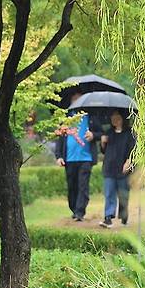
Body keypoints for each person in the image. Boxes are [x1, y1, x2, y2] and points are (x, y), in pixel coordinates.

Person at [55, 93, 102, 221]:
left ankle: (80, 212)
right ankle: (74, 209)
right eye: (74, 99)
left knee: (83, 186)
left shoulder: (90, 117)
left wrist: (93, 135)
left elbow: (100, 132)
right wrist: (58, 156)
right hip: (69, 159)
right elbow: (60, 139)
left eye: (79, 99)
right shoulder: (66, 119)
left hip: (86, 158)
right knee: (72, 186)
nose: (77, 101)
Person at [99, 110, 136, 228]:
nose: (114, 119)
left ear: (122, 118)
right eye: (112, 116)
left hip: (123, 169)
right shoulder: (108, 132)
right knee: (109, 193)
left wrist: (129, 162)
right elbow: (104, 151)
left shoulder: (130, 133)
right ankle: (108, 218)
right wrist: (103, 143)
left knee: (123, 194)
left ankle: (124, 216)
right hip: (109, 168)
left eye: (117, 116)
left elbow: (134, 151)